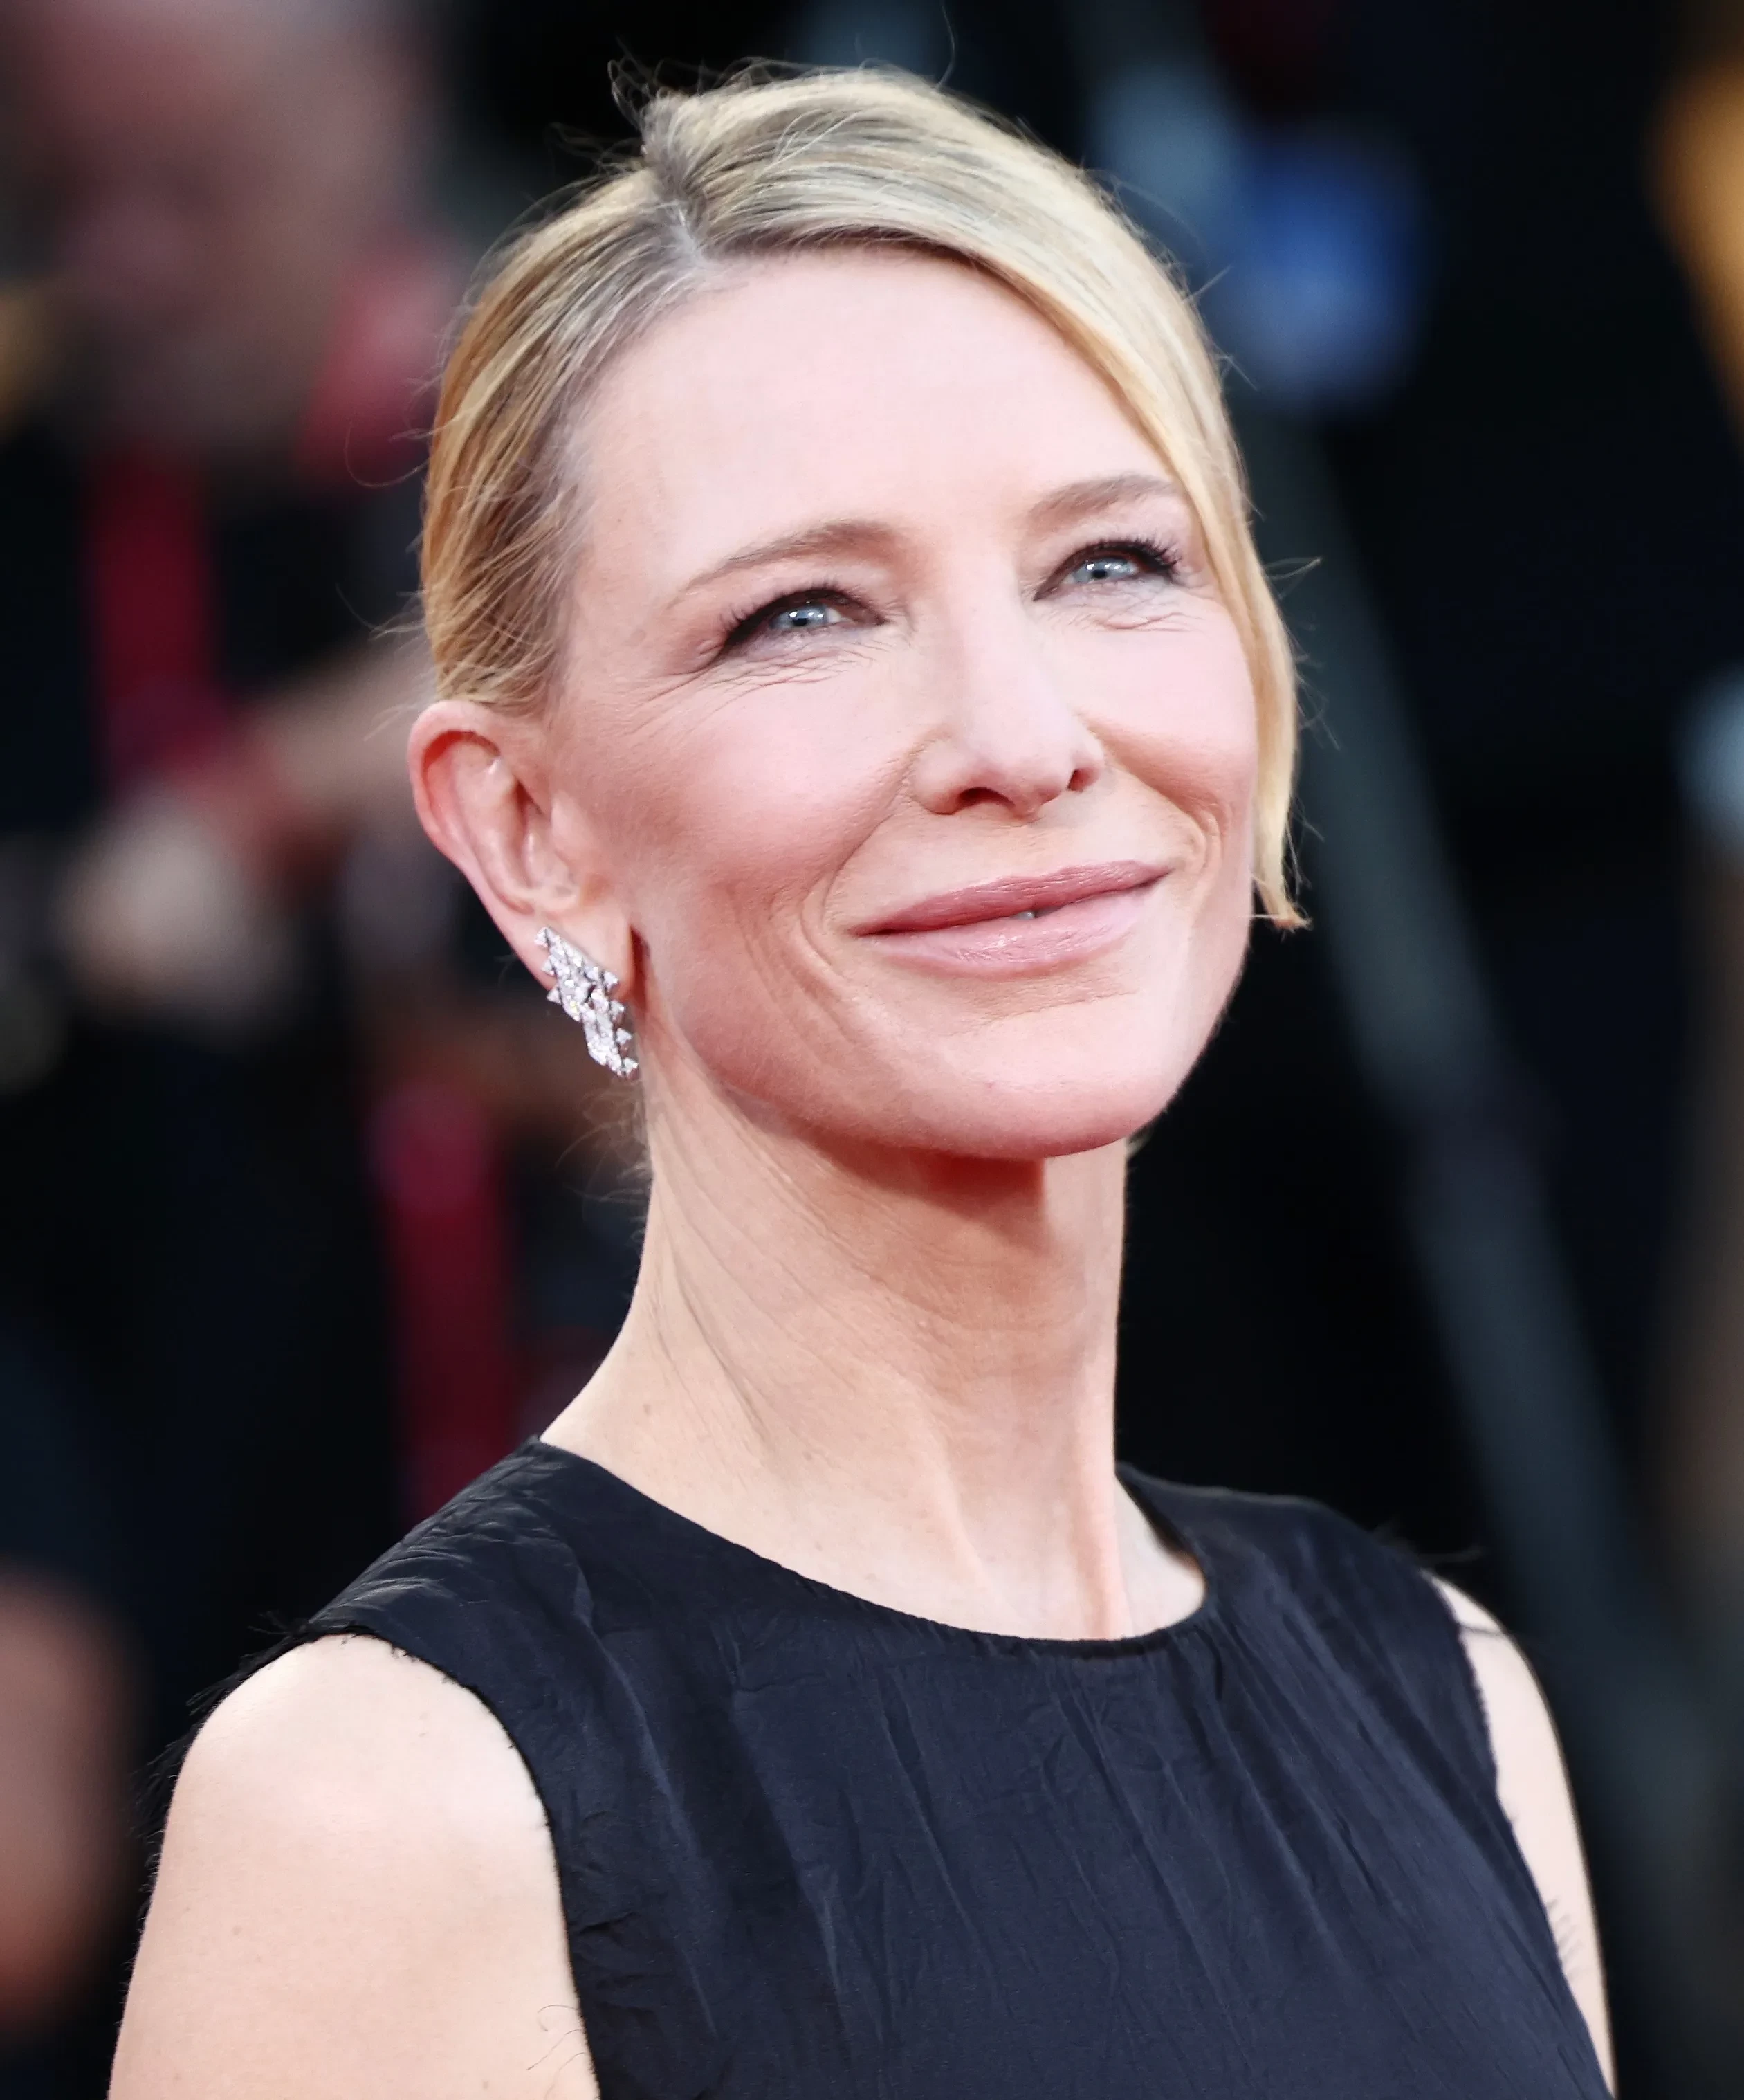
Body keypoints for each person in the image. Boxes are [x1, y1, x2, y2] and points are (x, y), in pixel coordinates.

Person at [110, 69, 1615, 2099]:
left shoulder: (1439, 1695)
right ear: (531, 832)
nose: (1023, 736)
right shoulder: (397, 1809)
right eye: (803, 614)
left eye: (1111, 564)